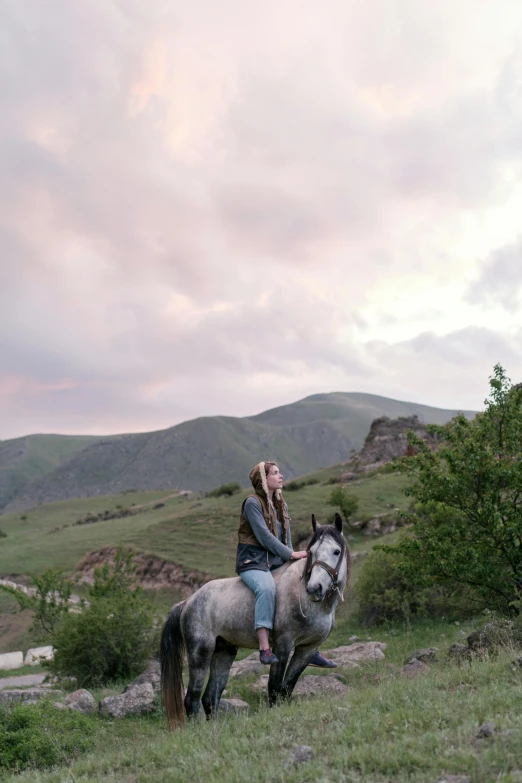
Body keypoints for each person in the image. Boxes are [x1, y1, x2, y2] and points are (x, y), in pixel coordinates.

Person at [236, 461, 337, 667]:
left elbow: (286, 538)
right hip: (252, 562)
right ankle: (264, 648)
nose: (280, 476)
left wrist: (293, 559)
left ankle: (309, 648)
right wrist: (290, 554)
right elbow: (264, 537)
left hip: (275, 561)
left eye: (279, 472)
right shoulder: (252, 503)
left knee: (301, 582)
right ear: (263, 480)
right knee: (266, 588)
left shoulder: (282, 503)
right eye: (275, 473)